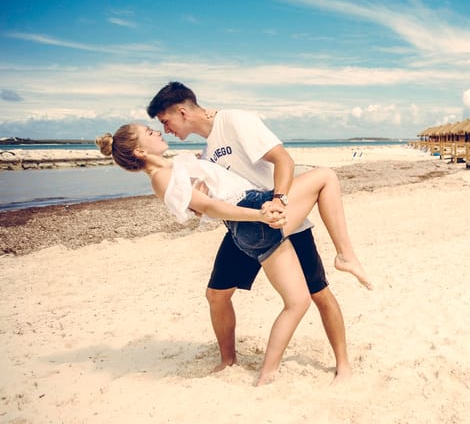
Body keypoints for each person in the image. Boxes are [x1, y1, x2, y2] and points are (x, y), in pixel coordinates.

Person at [96, 124, 369, 384]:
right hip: (249, 210)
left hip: (246, 221)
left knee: (298, 302)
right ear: (140, 152)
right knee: (325, 176)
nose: (156, 131)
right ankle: (345, 255)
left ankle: (266, 376)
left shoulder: (171, 168)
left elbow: (202, 201)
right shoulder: (162, 177)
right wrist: (258, 215)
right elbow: (212, 208)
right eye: (148, 132)